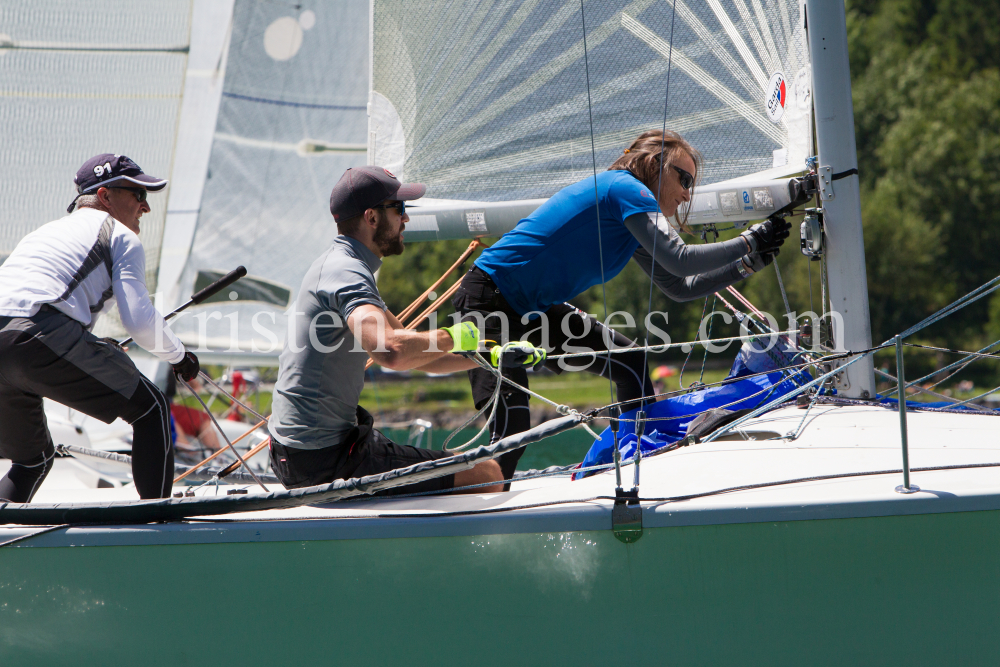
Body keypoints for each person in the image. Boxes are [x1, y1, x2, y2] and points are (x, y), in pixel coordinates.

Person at [453, 130, 791, 479]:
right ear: (653, 164)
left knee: (629, 360)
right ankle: (470, 493)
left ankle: (635, 464)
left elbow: (678, 286)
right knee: (513, 429)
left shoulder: (630, 217)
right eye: (684, 178)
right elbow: (680, 259)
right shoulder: (626, 189)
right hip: (488, 298)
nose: (687, 193)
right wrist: (749, 241)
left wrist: (746, 264)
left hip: (531, 307)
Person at [268, 166, 543, 495]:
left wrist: (489, 356)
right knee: (489, 476)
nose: (406, 219)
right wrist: (455, 335)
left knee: (467, 466)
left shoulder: (340, 266)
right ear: (371, 218)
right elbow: (392, 351)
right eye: (399, 209)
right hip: (326, 460)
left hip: (305, 454)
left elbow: (418, 357)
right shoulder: (346, 273)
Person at [0, 154, 200, 503]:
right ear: (105, 196)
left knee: (34, 458)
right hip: (37, 336)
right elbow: (139, 321)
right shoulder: (119, 235)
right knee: (151, 407)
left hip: (15, 340)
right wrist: (180, 357)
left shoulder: (44, 232)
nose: (145, 207)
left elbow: (33, 303)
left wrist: (91, 344)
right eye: (138, 195)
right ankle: (159, 523)